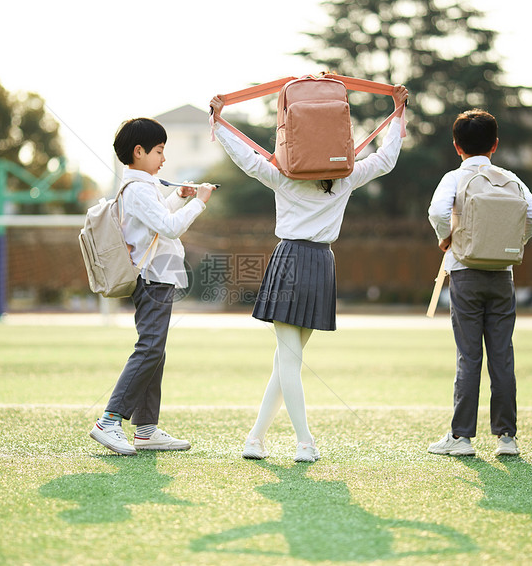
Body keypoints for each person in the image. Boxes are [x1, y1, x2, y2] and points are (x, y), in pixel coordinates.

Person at [209, 84, 409, 462]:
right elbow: (386, 160)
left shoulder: (286, 176)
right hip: (319, 262)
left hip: (291, 259)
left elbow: (247, 159)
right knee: (288, 359)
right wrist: (399, 113)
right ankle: (300, 441)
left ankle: (259, 439)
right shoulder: (345, 177)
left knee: (287, 359)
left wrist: (218, 124)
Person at [89, 117, 216, 455]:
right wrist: (199, 201)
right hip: (152, 278)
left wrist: (179, 196)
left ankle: (145, 430)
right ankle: (109, 421)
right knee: (149, 349)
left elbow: (156, 222)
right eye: (159, 151)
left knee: (154, 352)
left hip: (157, 277)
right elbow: (171, 228)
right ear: (139, 151)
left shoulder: (143, 189)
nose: (163, 159)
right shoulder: (139, 189)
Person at [426, 109, 532, 457]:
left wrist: (447, 238)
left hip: (464, 272)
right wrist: (512, 239)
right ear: (495, 145)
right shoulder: (508, 177)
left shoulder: (453, 178)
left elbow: (437, 212)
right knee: (501, 355)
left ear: (456, 146)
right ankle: (506, 438)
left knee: (469, 355)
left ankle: (461, 438)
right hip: (502, 274)